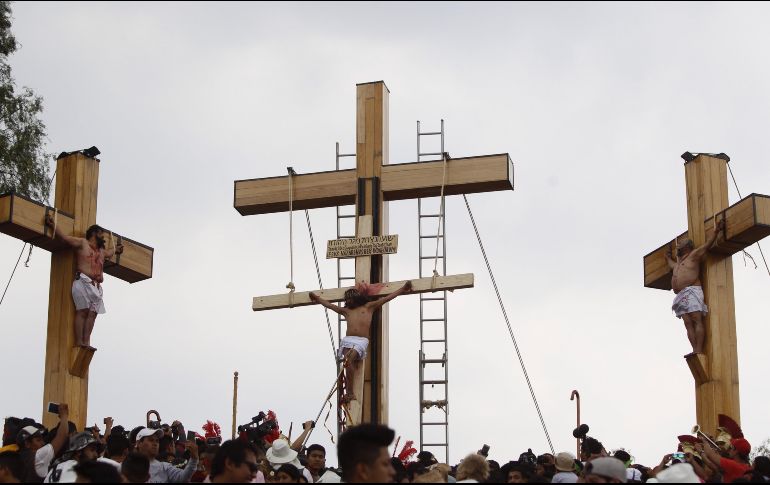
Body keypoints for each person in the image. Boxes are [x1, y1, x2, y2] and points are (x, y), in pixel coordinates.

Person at [310, 281, 412, 404]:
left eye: (350, 299)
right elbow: (329, 305)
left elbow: (387, 298)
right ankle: (349, 392)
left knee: (349, 359)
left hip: (361, 341)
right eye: (347, 300)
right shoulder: (346, 311)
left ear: (356, 298)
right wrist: (317, 298)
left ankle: (350, 393)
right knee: (347, 362)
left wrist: (403, 289)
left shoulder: (368, 307)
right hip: (348, 340)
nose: (348, 301)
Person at [45, 216, 123, 350]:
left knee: (92, 314)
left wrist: (116, 249)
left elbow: (111, 251)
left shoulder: (102, 251)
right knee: (83, 311)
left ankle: (86, 342)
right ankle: (79, 341)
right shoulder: (82, 243)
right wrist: (54, 225)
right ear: (94, 233)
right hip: (83, 281)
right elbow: (64, 238)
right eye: (101, 234)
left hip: (96, 287)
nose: (103, 238)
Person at [665, 220, 725, 355]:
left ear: (687, 247)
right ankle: (694, 349)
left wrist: (716, 231)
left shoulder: (693, 255)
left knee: (696, 319)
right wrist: (667, 257)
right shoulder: (678, 264)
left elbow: (707, 245)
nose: (678, 247)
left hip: (692, 291)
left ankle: (698, 349)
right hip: (681, 294)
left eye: (680, 245)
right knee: (687, 323)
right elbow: (670, 264)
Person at [18, 404, 71, 483]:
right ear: (27, 443)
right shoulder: (38, 456)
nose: (43, 443)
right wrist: (64, 415)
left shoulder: (14, 459)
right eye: (38, 440)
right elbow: (62, 436)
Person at [133, 427, 198, 483]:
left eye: (157, 441)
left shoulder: (165, 467)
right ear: (139, 443)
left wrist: (194, 459)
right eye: (151, 440)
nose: (155, 444)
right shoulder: (128, 467)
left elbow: (183, 477)